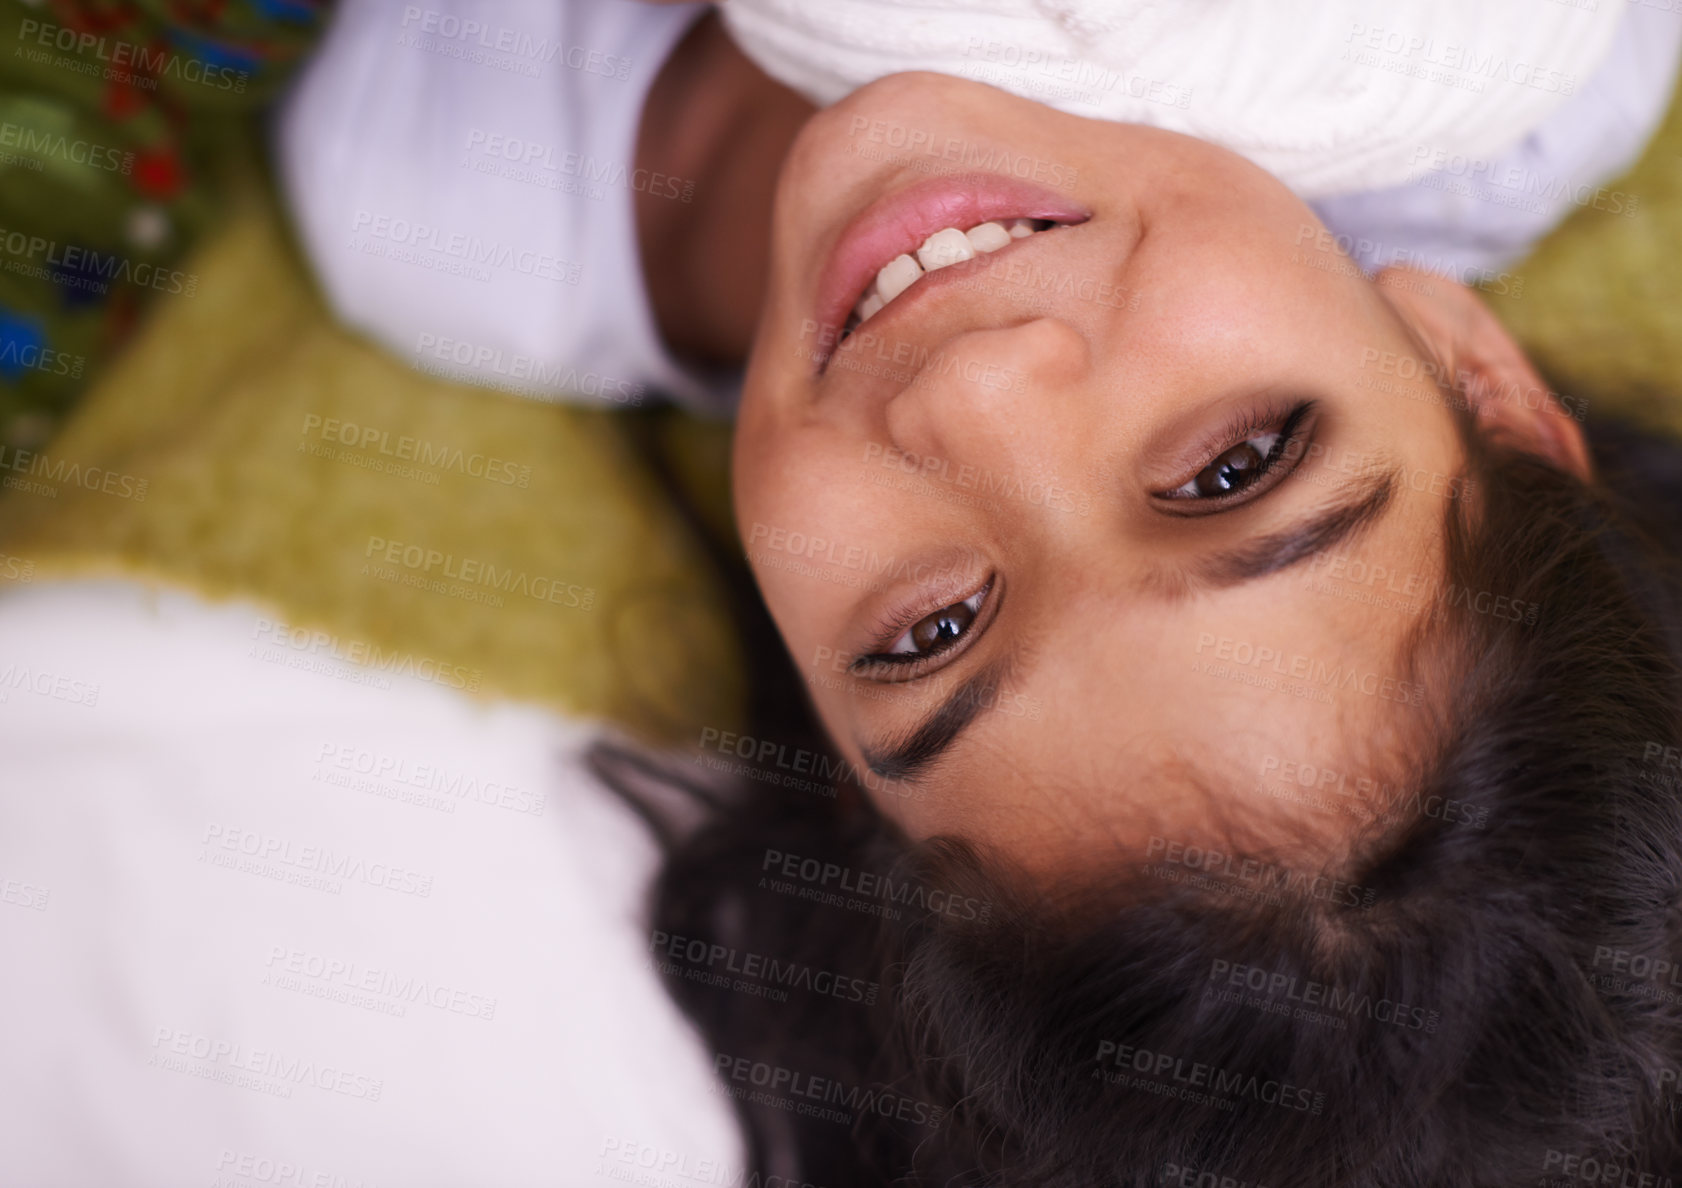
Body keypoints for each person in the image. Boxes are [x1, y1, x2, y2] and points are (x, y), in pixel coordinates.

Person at [277, 1, 1682, 1182]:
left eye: (932, 631)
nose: (976, 390)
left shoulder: (457, 197)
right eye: (1230, 469)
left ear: (836, 751)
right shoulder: (1509, 70)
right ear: (1475, 383)